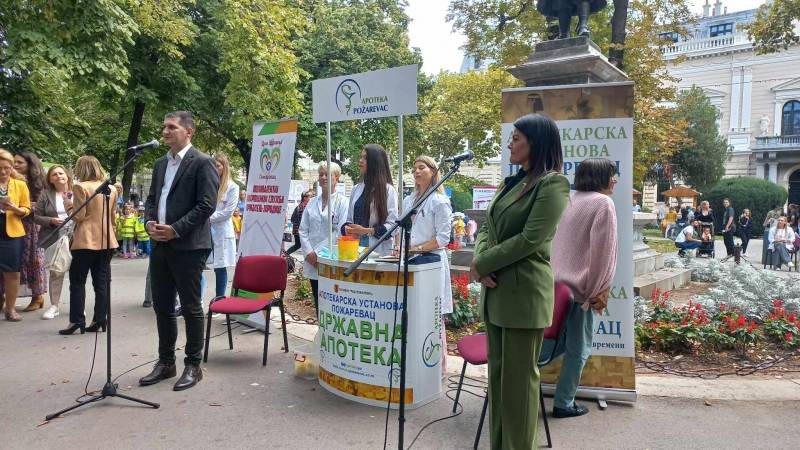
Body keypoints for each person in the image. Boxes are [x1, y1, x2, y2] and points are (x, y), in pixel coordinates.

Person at [471, 114, 570, 449]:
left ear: (535, 142)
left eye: (516, 138)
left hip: (524, 297)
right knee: (499, 383)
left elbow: (530, 240)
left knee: (519, 388)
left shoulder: (553, 184)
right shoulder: (510, 182)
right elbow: (487, 227)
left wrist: (482, 262)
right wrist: (479, 260)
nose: (510, 144)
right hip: (497, 294)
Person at [139, 111, 219, 391]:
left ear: (189, 132)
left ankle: (193, 365)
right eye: (164, 127)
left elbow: (207, 204)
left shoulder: (203, 163)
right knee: (162, 306)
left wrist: (175, 228)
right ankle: (166, 362)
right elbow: (152, 199)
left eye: (171, 127)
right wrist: (149, 221)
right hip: (160, 244)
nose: (165, 131)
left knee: (191, 307)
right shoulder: (161, 164)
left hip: (188, 246)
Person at [543, 158, 618, 418]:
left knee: (552, 342)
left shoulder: (569, 198)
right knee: (579, 348)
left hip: (555, 285)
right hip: (580, 290)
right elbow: (604, 253)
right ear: (600, 177)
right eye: (612, 175)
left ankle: (515, 376)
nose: (615, 180)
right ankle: (564, 403)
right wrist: (599, 290)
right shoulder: (603, 203)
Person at [394, 156, 453, 375]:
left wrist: (415, 250)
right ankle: (415, 365)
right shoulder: (410, 200)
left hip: (431, 263)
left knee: (432, 314)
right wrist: (399, 247)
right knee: (415, 311)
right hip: (410, 261)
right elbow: (401, 229)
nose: (417, 171)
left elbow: (443, 238)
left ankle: (438, 368)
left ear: (433, 171)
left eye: (422, 167)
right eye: (414, 168)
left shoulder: (440, 201)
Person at [59, 156, 118, 335]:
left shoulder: (80, 187)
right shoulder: (111, 189)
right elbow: (113, 217)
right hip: (107, 240)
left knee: (77, 281)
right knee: (101, 282)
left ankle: (77, 321)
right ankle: (100, 319)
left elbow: (79, 216)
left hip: (85, 240)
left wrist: (68, 205)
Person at [299, 162, 349, 315]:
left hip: (330, 258)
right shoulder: (312, 203)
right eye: (321, 174)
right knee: (318, 300)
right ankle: (320, 333)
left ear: (337, 178)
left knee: (332, 302)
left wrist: (318, 253)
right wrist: (309, 253)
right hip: (312, 260)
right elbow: (303, 230)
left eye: (328, 174)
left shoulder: (342, 202)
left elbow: (340, 232)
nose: (323, 177)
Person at [5, 151, 48, 312]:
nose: (15, 165)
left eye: (19, 162)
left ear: (30, 165)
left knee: (33, 260)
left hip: (31, 227)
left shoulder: (37, 182)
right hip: (11, 223)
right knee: (11, 262)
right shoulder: (8, 181)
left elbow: (42, 205)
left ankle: (38, 296)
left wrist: (25, 205)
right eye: (14, 162)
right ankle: (4, 296)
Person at [341, 144, 398, 256]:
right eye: (361, 157)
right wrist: (347, 229)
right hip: (354, 249)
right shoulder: (356, 189)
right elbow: (348, 219)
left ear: (375, 162)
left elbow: (393, 226)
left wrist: (366, 231)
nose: (361, 161)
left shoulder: (388, 190)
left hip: (377, 251)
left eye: (365, 158)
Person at [34, 165, 74, 319]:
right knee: (56, 272)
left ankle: (78, 306)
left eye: (60, 173)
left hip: (76, 236)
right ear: (50, 179)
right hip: (54, 237)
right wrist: (51, 220)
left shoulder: (77, 190)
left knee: (78, 272)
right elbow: (36, 216)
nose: (58, 176)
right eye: (54, 174)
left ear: (67, 175)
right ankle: (54, 306)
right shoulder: (46, 194)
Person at [0, 149, 32, 322]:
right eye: (0, 168)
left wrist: (13, 208)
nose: (3, 172)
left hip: (12, 233)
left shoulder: (20, 185)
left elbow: (26, 209)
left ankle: (10, 309)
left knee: (12, 273)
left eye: (7, 167)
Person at [209, 154, 239, 299]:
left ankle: (219, 300)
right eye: (213, 166)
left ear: (224, 167)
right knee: (200, 265)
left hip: (221, 232)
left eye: (218, 166)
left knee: (220, 267)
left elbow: (227, 213)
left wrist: (206, 219)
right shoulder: (211, 184)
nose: (215, 169)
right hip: (207, 231)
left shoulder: (232, 187)